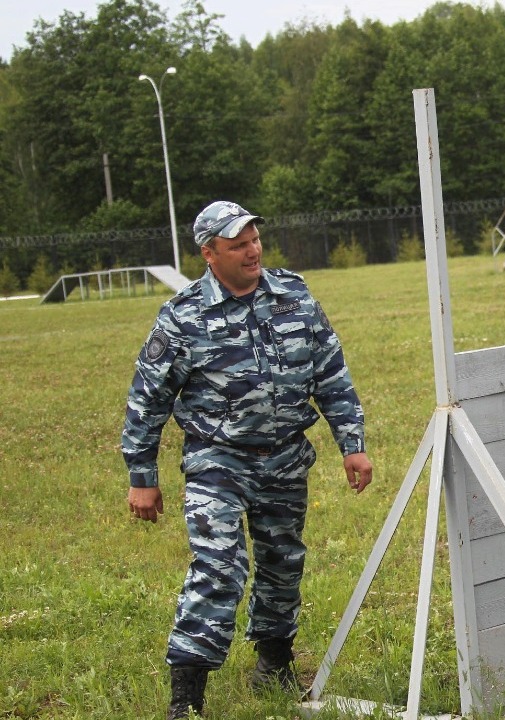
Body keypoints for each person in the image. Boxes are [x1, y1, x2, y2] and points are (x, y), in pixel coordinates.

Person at [122, 201, 374, 719]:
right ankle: (186, 699)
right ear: (209, 253)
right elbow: (148, 399)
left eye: (255, 239)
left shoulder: (294, 296)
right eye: (238, 245)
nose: (252, 250)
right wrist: (142, 476)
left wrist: (352, 444)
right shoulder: (183, 316)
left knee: (283, 563)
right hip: (218, 461)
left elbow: (331, 372)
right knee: (219, 567)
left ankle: (274, 665)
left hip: (285, 459)